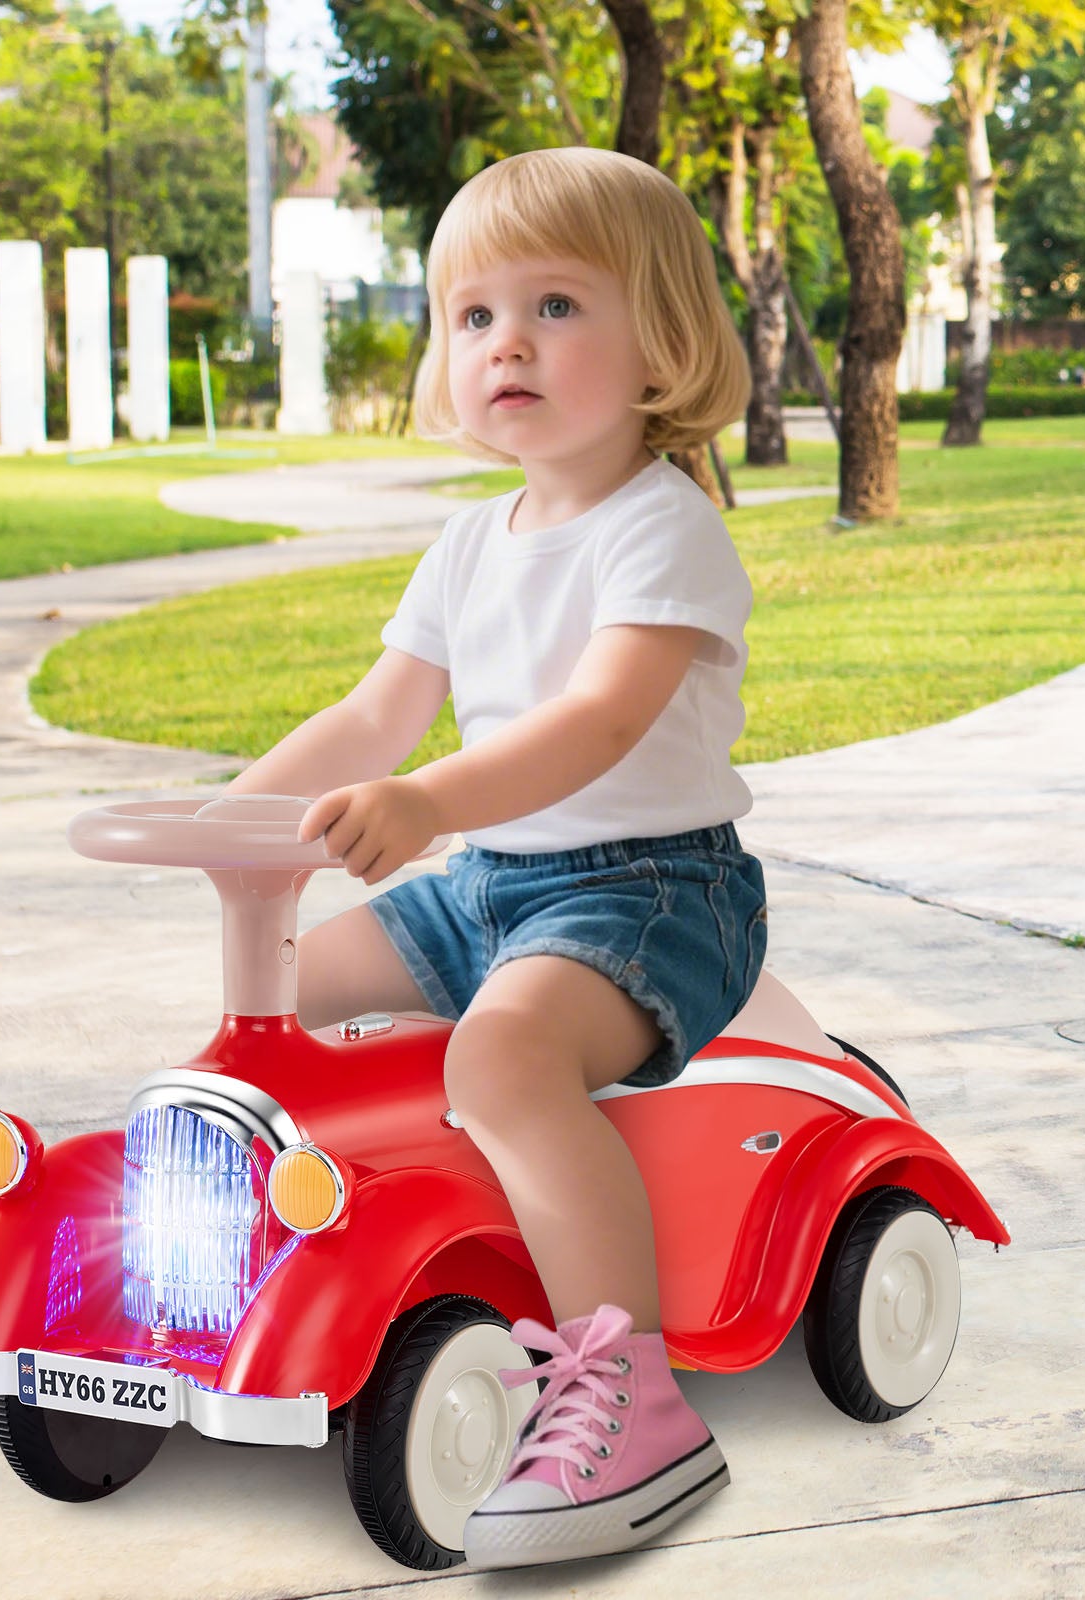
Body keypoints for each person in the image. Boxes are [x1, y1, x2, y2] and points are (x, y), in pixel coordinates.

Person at [222, 145, 766, 1568]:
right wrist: (237, 821)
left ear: (665, 341)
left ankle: (630, 1393)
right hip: (492, 889)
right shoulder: (468, 544)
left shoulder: (666, 530)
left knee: (501, 1059)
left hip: (654, 890)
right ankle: (282, 1258)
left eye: (558, 307)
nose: (506, 341)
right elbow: (371, 713)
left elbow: (595, 724)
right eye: (474, 316)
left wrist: (430, 798)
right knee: (281, 994)